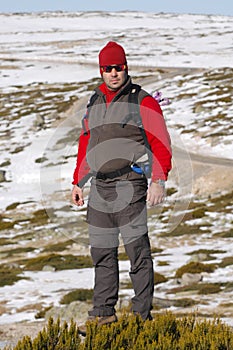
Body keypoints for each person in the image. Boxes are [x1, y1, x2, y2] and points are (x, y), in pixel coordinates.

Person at [71, 41, 172, 335]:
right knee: (102, 253)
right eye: (108, 68)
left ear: (126, 68)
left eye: (118, 67)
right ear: (101, 70)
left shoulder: (142, 100)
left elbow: (161, 142)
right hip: (100, 188)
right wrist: (78, 181)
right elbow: (86, 143)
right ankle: (103, 314)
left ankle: (141, 316)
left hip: (130, 183)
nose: (114, 73)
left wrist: (158, 179)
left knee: (137, 252)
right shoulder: (94, 102)